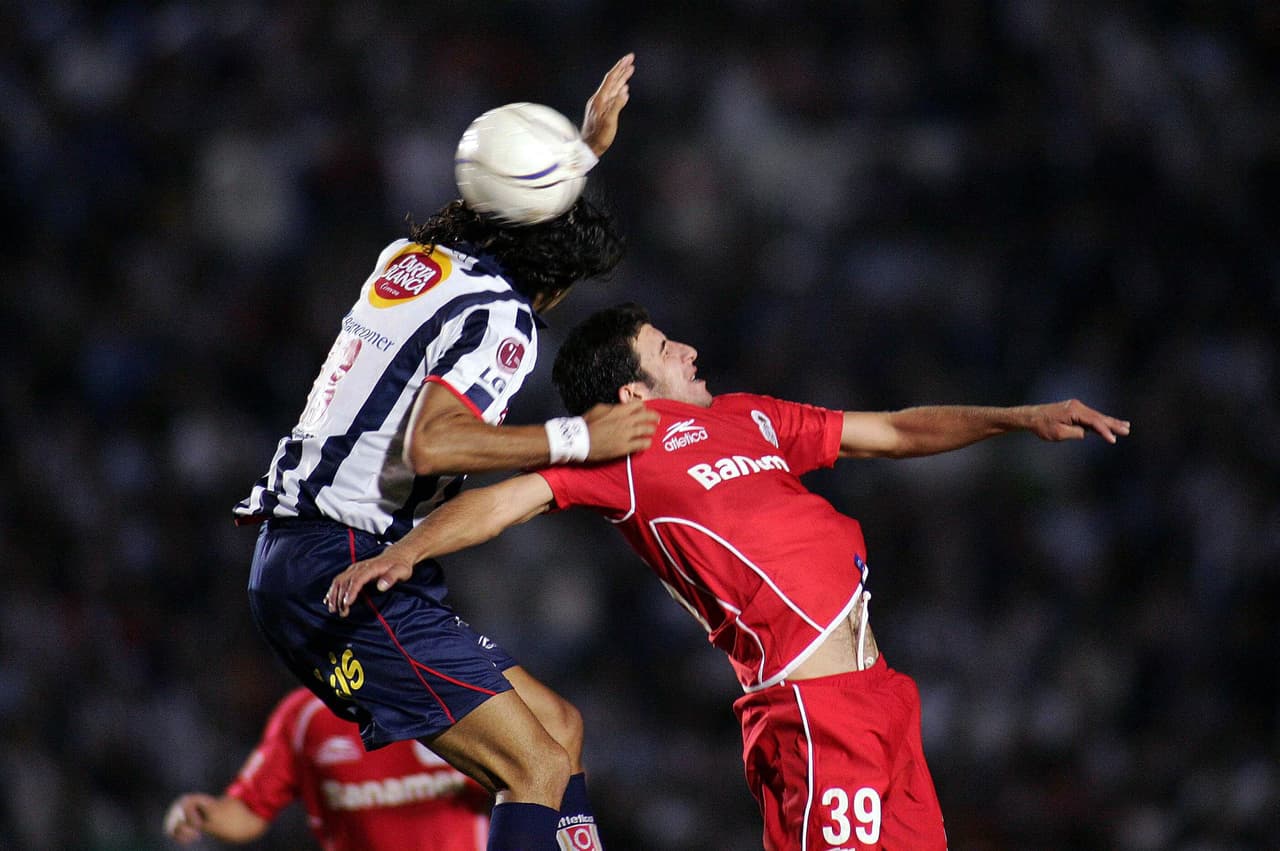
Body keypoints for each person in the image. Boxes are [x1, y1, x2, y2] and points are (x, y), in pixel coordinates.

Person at [322, 302, 1132, 851]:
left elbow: (888, 430)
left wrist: (1017, 419)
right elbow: (507, 501)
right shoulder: (623, 448)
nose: (690, 349)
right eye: (666, 346)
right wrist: (410, 549)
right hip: (812, 714)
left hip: (880, 698)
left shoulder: (747, 415)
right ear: (633, 389)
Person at [235, 57, 659, 851]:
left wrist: (578, 153)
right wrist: (580, 438)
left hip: (310, 553)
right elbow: (432, 441)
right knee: (532, 768)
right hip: (340, 564)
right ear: (554, 280)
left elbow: (498, 203)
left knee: (558, 728)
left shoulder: (414, 257)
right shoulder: (502, 317)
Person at [163, 687, 492, 850]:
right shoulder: (306, 716)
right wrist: (203, 813)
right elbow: (250, 810)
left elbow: (527, 779)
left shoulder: (456, 698)